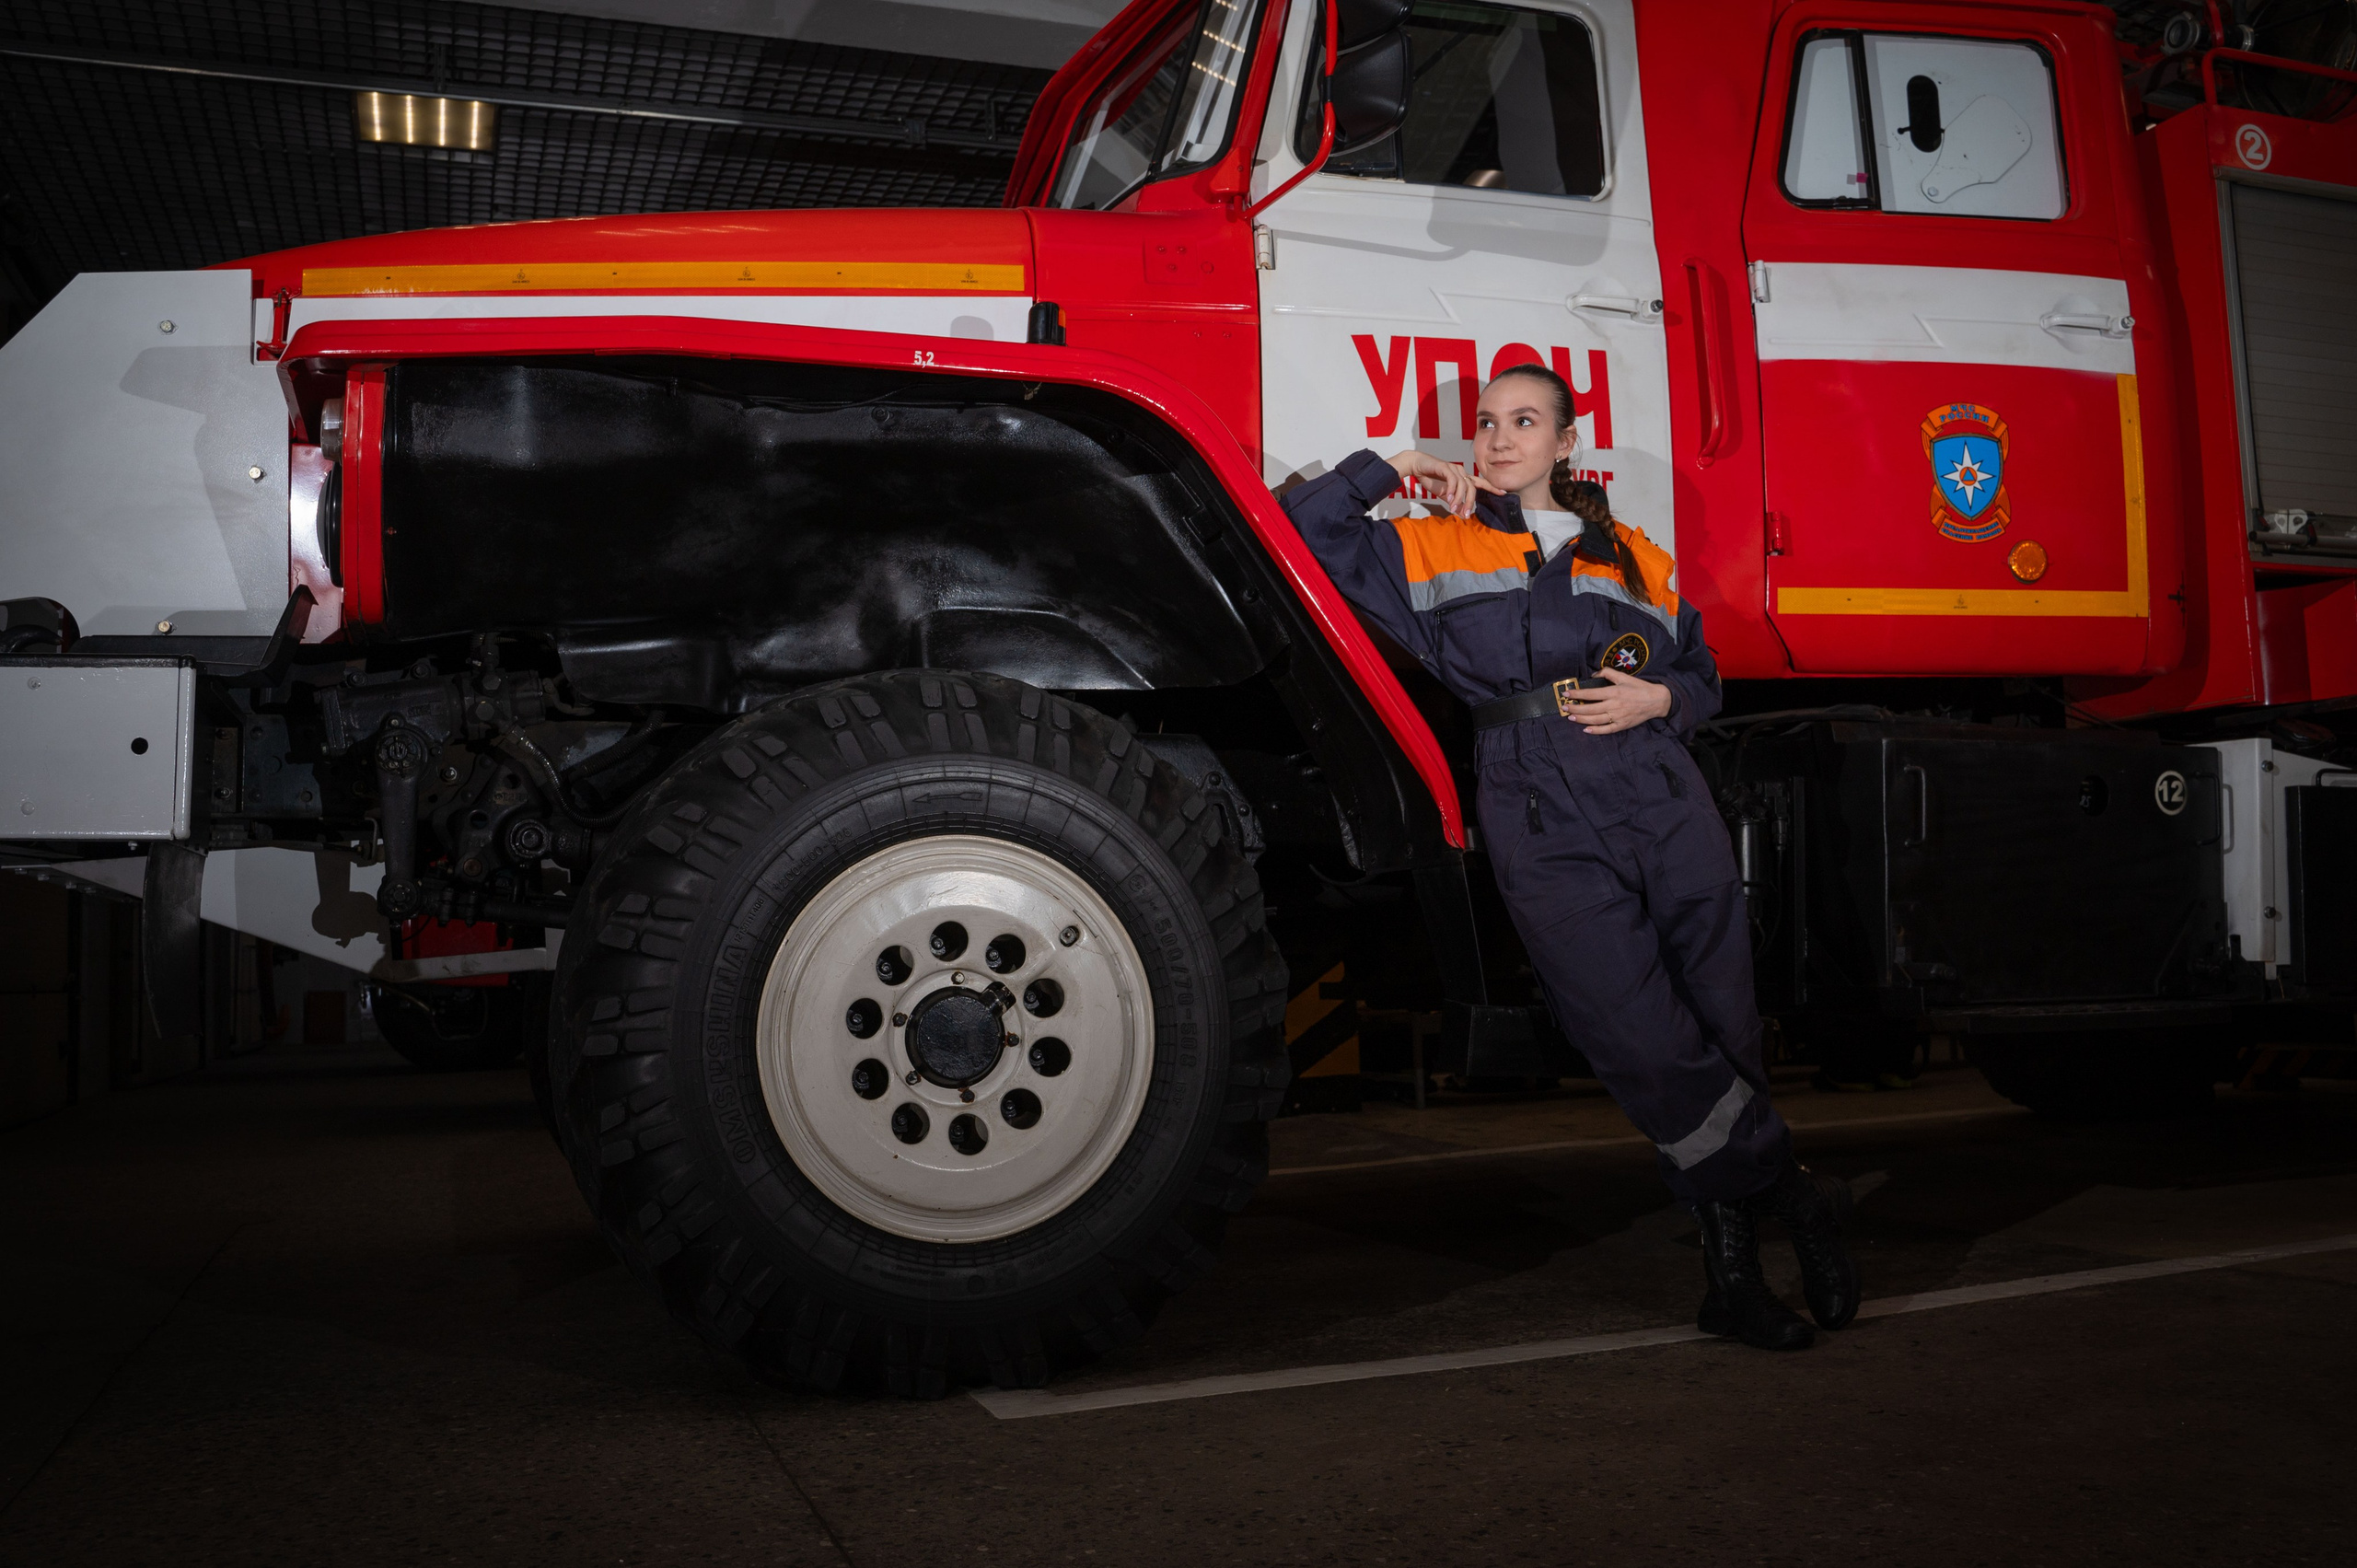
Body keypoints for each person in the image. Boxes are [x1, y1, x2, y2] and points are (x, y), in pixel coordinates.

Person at [1279, 364, 1858, 1350]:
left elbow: (1699, 668)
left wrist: (1661, 698)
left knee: (1721, 1025)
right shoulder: (1429, 543)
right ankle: (1791, 1188)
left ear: (1564, 439)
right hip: (1533, 796)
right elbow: (1298, 531)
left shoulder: (1632, 553)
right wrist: (1399, 463)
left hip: (1660, 789)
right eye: (1483, 424)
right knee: (1627, 1024)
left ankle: (1732, 1276)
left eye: (1523, 420)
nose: (1498, 439)